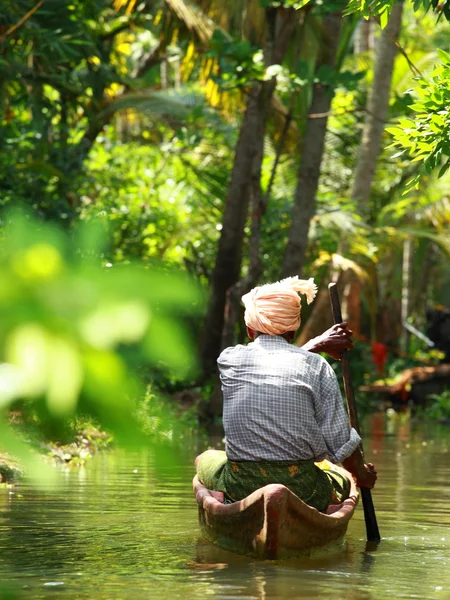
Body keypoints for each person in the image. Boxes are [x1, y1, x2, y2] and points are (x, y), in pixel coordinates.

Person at [196, 276, 377, 511]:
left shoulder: (229, 359)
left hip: (242, 485)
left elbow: (277, 366)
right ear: (293, 331)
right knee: (343, 476)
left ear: (250, 330)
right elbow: (340, 444)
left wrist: (314, 345)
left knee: (203, 459)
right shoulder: (316, 366)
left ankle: (225, 503)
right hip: (304, 489)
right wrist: (361, 475)